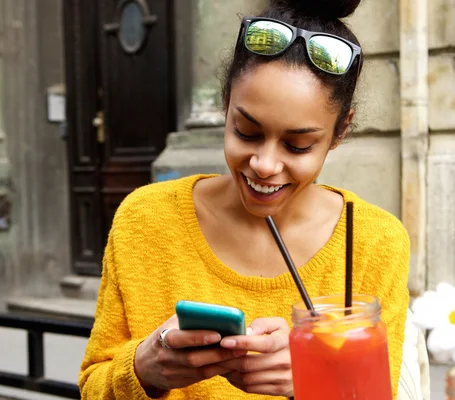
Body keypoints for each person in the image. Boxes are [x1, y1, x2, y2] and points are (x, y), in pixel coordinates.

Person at [79, 0, 413, 398]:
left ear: (339, 132)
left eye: (298, 145)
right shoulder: (144, 219)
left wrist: (312, 378)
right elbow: (92, 387)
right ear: (225, 106)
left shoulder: (374, 242)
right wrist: (144, 368)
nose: (264, 164)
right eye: (246, 132)